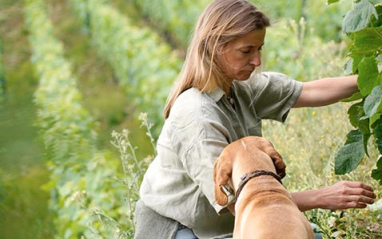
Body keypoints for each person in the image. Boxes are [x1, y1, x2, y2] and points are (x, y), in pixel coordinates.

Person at [134, 0, 377, 238]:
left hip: (230, 221)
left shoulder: (240, 88)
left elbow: (311, 91)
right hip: (179, 229)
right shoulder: (196, 116)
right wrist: (321, 197)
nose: (257, 61)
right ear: (215, 45)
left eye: (259, 48)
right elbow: (238, 202)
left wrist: (373, 79)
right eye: (246, 51)